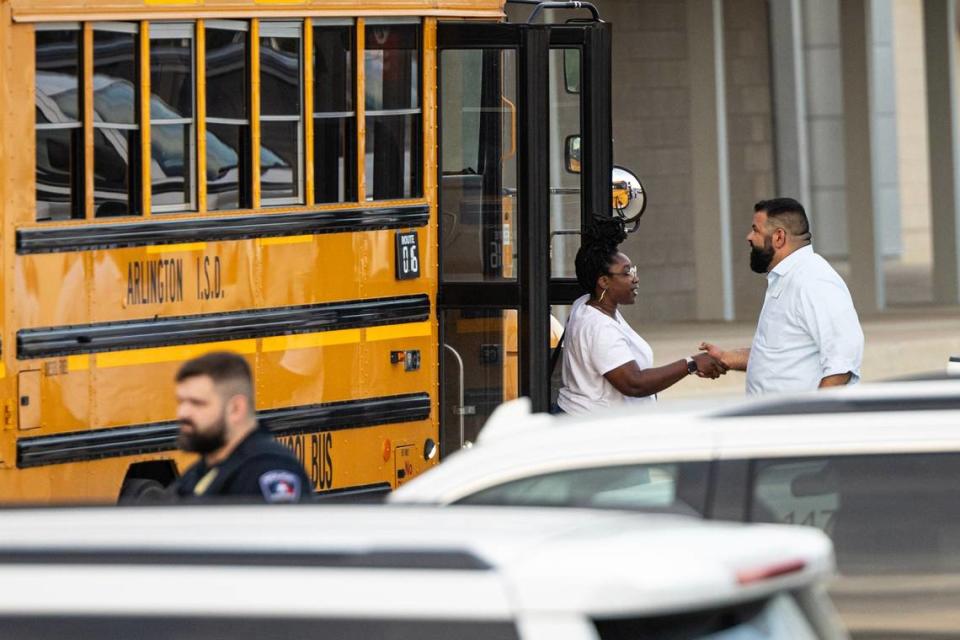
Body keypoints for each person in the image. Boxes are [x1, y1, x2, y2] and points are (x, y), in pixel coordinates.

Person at [556, 217, 727, 415]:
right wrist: (691, 363)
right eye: (627, 272)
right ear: (604, 281)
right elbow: (634, 383)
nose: (635, 278)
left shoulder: (588, 305)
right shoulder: (598, 327)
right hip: (597, 432)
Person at [700, 198, 864, 395]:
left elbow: (842, 363)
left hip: (799, 422)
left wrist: (814, 416)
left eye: (756, 230)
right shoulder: (787, 278)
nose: (749, 237)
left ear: (779, 237)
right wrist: (727, 357)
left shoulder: (814, 281)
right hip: (776, 421)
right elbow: (782, 355)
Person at [170, 351, 312, 502]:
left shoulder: (267, 471)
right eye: (181, 402)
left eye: (197, 403)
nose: (182, 413)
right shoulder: (200, 472)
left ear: (236, 408)